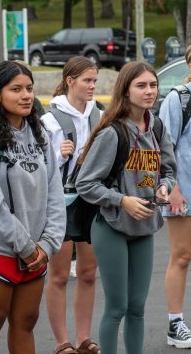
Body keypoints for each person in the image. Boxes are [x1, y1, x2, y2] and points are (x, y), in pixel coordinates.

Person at [0, 60, 66, 353]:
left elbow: (54, 194)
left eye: (30, 89)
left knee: (26, 322)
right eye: (15, 89)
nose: (26, 96)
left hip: (37, 252)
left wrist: (47, 245)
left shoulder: (39, 133)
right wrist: (25, 246)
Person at [76, 61, 177, 354]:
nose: (149, 92)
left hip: (145, 226)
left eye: (153, 85)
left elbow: (168, 171)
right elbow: (86, 184)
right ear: (126, 90)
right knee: (117, 306)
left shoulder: (157, 126)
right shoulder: (112, 133)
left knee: (137, 307)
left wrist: (164, 188)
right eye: (141, 86)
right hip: (111, 226)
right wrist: (122, 200)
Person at [41, 56, 101, 354]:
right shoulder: (49, 119)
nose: (92, 86)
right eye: (87, 81)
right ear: (70, 81)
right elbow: (36, 166)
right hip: (61, 201)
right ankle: (62, 342)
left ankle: (83, 338)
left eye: (94, 80)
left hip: (91, 200)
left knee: (89, 273)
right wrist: (58, 154)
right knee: (60, 274)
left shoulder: (99, 115)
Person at [159, 45, 191, 349]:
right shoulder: (179, 97)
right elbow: (164, 145)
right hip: (184, 191)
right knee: (182, 256)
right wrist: (175, 189)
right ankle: (175, 323)